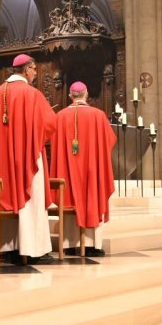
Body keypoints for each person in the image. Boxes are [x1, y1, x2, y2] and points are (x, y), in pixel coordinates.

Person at [0, 54, 57, 264]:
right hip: (28, 157)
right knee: (31, 198)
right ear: (26, 70)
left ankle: (9, 247)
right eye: (34, 69)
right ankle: (33, 248)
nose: (35, 72)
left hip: (3, 160)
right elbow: (50, 123)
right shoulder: (31, 93)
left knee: (8, 196)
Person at [50, 82, 116, 254]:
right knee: (92, 191)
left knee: (69, 194)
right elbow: (110, 141)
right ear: (86, 94)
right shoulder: (98, 116)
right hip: (91, 173)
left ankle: (70, 244)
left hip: (67, 171)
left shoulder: (60, 116)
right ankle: (92, 244)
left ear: (70, 96)